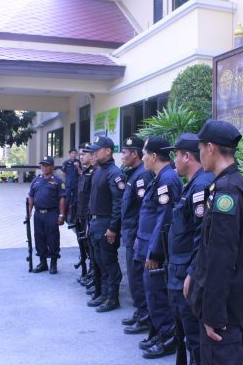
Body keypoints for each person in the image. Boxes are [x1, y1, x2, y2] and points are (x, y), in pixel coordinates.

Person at [188, 120, 243, 365]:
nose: (200, 154)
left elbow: (222, 258)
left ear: (211, 147)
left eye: (200, 148)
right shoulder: (229, 183)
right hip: (226, 303)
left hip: (223, 310)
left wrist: (213, 315)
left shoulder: (227, 191)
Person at [165, 133, 214, 365]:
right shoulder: (193, 184)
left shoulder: (201, 185)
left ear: (187, 156)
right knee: (185, 332)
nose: (173, 160)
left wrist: (192, 272)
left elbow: (201, 235)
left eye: (176, 155)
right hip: (179, 268)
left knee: (194, 336)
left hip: (186, 272)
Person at [136, 136, 182, 359]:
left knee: (158, 295)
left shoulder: (167, 179)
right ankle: (159, 332)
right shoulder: (160, 177)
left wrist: (155, 252)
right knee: (152, 293)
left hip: (157, 249)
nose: (142, 158)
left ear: (153, 156)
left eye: (144, 154)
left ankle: (168, 338)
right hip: (149, 244)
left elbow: (164, 219)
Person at [85, 136, 125, 312]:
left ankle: (112, 298)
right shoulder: (98, 171)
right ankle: (103, 294)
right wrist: (89, 222)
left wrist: (113, 228)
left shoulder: (115, 174)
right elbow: (92, 200)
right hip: (95, 222)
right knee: (98, 261)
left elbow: (118, 203)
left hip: (106, 223)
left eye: (97, 150)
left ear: (108, 151)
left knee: (109, 262)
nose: (94, 153)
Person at [120, 136, 153, 334]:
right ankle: (140, 311)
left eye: (125, 152)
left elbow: (144, 210)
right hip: (131, 232)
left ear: (135, 154)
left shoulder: (142, 176)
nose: (122, 156)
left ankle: (144, 316)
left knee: (137, 278)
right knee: (134, 277)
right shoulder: (134, 174)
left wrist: (138, 237)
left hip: (136, 234)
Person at [28, 156, 66, 274]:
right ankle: (43, 263)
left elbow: (62, 198)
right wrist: (29, 212)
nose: (44, 168)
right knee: (39, 237)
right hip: (38, 214)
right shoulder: (35, 180)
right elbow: (31, 196)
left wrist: (61, 215)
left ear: (52, 167)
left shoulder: (58, 181)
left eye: (47, 165)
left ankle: (53, 263)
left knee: (53, 238)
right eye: (42, 165)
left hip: (51, 213)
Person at [73, 143, 94, 281]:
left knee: (91, 247)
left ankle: (93, 274)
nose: (81, 157)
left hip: (88, 216)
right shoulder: (84, 172)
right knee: (84, 247)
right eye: (80, 154)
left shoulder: (94, 173)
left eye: (84, 154)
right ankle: (86, 272)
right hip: (80, 215)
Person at [62, 149, 81, 223]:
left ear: (76, 154)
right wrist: (65, 182)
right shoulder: (66, 163)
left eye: (75, 153)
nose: (73, 154)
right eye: (72, 153)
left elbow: (80, 173)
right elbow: (64, 173)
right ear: (69, 154)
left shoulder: (78, 162)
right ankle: (65, 217)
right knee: (67, 201)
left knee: (75, 202)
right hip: (68, 185)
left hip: (76, 185)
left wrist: (78, 167)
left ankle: (73, 218)